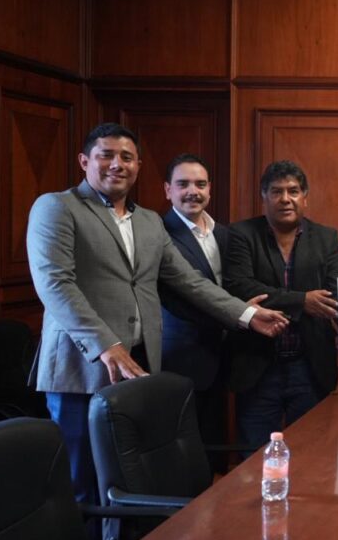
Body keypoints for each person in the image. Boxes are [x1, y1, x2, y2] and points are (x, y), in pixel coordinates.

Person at [26, 123, 288, 504]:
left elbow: (189, 281)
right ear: (84, 161)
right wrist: (105, 345)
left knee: (131, 482)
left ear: (138, 166)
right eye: (106, 155)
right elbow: (55, 284)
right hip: (81, 369)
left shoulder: (149, 221)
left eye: (127, 157)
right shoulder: (57, 207)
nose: (117, 164)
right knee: (83, 485)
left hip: (140, 365)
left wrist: (246, 315)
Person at [224, 160, 338, 448]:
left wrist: (295, 301)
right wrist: (302, 301)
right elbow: (241, 286)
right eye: (276, 191)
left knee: (310, 453)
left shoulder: (326, 237)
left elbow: (335, 292)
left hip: (309, 366)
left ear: (305, 197)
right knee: (255, 455)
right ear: (264, 197)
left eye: (293, 191)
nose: (285, 199)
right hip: (258, 367)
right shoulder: (242, 234)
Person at [158, 154, 233, 461]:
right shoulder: (159, 234)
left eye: (200, 184)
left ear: (209, 189)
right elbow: (179, 295)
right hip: (181, 357)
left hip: (224, 355)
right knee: (183, 453)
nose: (193, 191)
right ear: (168, 190)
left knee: (216, 446)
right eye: (183, 184)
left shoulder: (224, 234)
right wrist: (241, 314)